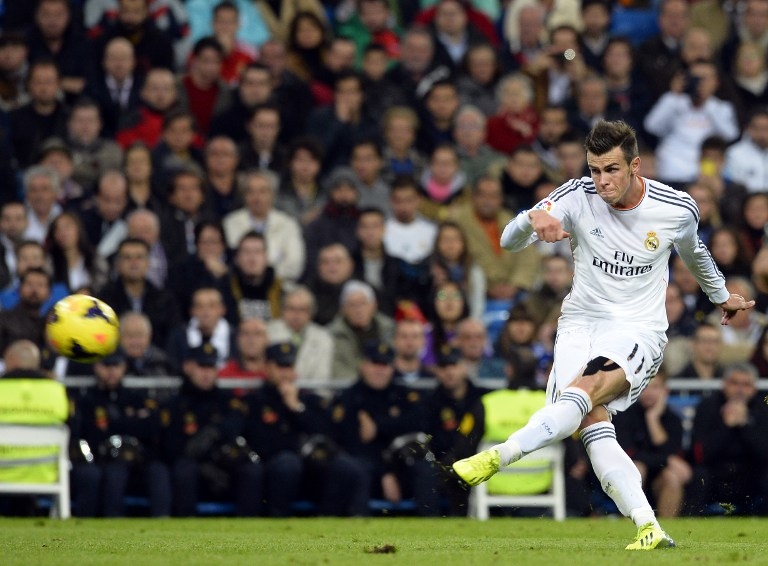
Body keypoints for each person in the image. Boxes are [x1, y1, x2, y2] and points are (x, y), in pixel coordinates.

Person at [452, 120, 755, 550]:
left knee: (586, 389)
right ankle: (648, 526)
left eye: (611, 169)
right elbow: (507, 240)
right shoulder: (576, 195)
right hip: (579, 324)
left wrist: (722, 296)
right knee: (592, 423)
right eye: (594, 170)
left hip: (638, 329)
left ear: (635, 165)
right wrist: (531, 219)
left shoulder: (676, 207)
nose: (602, 181)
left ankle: (502, 454)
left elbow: (696, 255)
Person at [243, 342, 367, 516]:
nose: (286, 373)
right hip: (274, 470)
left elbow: (328, 432)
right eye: (280, 366)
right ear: (267, 367)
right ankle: (277, 521)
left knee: (345, 466)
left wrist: (297, 408)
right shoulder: (256, 400)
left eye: (289, 366)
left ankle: (329, 522)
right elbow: (260, 442)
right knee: (288, 464)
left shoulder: (308, 400)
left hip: (311, 470)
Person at [69, 348, 171, 517]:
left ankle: (163, 520)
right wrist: (130, 421)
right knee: (112, 472)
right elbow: (90, 435)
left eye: (116, 365)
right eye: (106, 365)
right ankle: (109, 520)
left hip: (137, 460)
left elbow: (150, 428)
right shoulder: (87, 400)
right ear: (96, 367)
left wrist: (114, 424)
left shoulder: (136, 397)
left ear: (124, 367)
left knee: (158, 470)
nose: (111, 371)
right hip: (100, 459)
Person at [686, 362, 768, 515]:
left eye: (746, 385)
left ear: (754, 388)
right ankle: (690, 522)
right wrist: (726, 426)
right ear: (724, 384)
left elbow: (765, 453)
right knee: (699, 475)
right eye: (735, 383)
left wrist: (744, 425)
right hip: (715, 473)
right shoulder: (707, 406)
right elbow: (700, 455)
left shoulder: (763, 409)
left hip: (750, 474)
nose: (740, 390)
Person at [612, 369, 691, 518]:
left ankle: (667, 527)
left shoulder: (673, 420)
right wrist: (666, 460)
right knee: (637, 469)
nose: (649, 393)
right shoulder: (625, 416)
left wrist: (653, 419)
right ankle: (629, 525)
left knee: (672, 478)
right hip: (634, 477)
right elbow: (627, 453)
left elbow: (673, 454)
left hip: (658, 480)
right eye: (645, 387)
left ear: (665, 391)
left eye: (655, 387)